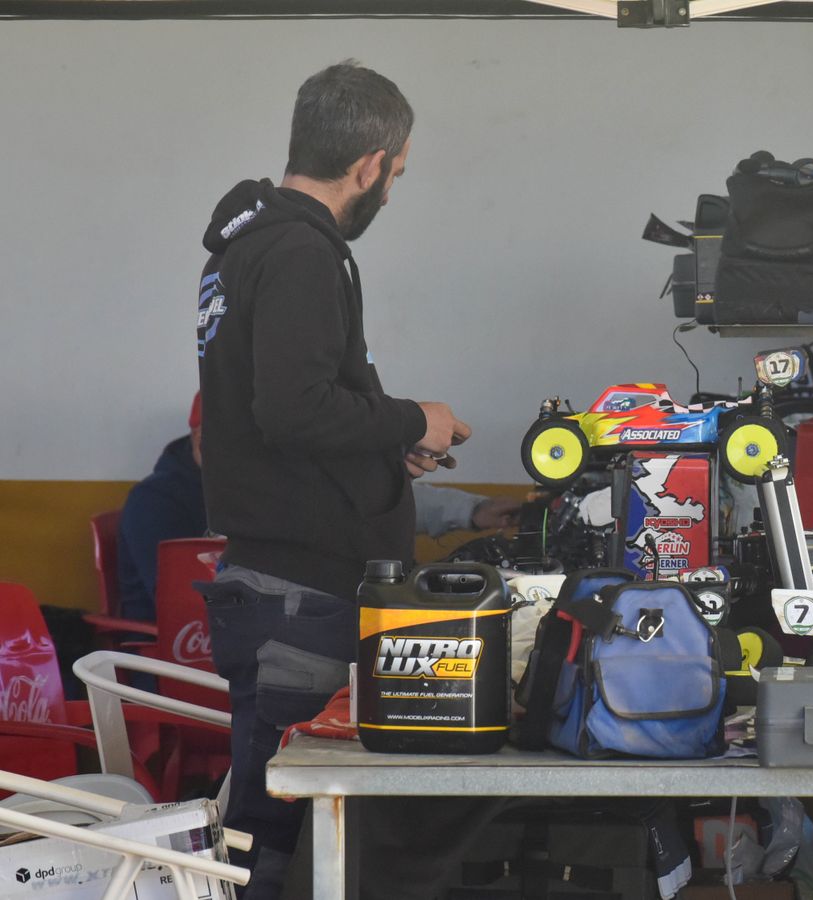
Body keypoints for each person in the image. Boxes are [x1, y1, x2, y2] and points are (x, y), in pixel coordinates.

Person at [194, 61, 478, 899]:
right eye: (396, 174)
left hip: (287, 584)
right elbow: (292, 408)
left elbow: (283, 412)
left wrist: (385, 446)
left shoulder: (251, 244)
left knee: (279, 830)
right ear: (370, 165)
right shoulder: (298, 252)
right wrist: (408, 419)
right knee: (277, 839)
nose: (390, 194)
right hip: (301, 597)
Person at [114, 389, 517, 622]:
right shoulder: (154, 503)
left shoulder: (269, 483)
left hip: (249, 635)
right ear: (197, 439)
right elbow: (178, 607)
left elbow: (369, 501)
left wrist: (474, 512)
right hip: (174, 661)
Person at [116, 392, 206, 622]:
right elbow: (181, 603)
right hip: (158, 649)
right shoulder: (153, 501)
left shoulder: (243, 492)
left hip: (226, 636)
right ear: (199, 439)